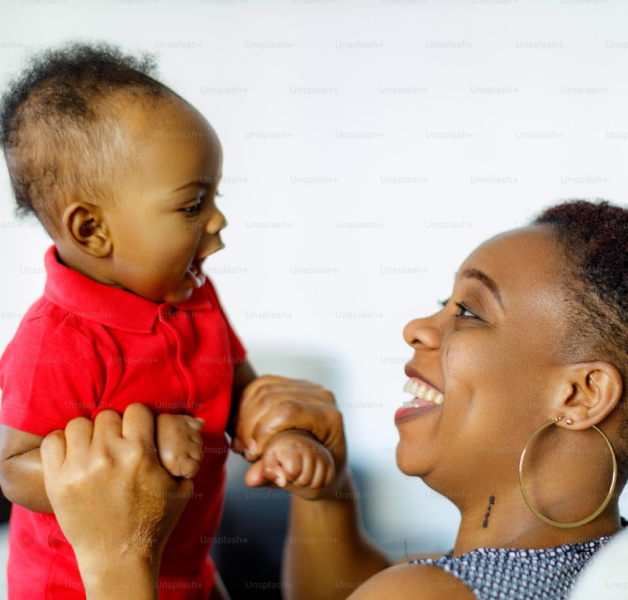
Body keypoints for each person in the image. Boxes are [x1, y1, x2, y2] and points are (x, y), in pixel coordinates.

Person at [42, 198, 628, 600]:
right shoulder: (592, 565)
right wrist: (327, 494)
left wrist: (116, 559)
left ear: (581, 392)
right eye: (442, 303)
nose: (418, 328)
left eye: (470, 312)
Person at [0, 42, 334, 600]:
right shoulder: (55, 342)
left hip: (190, 574)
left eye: (215, 196)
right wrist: (148, 451)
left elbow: (241, 391)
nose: (219, 219)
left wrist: (279, 433)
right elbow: (14, 469)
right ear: (91, 230)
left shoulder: (199, 299)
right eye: (191, 205)